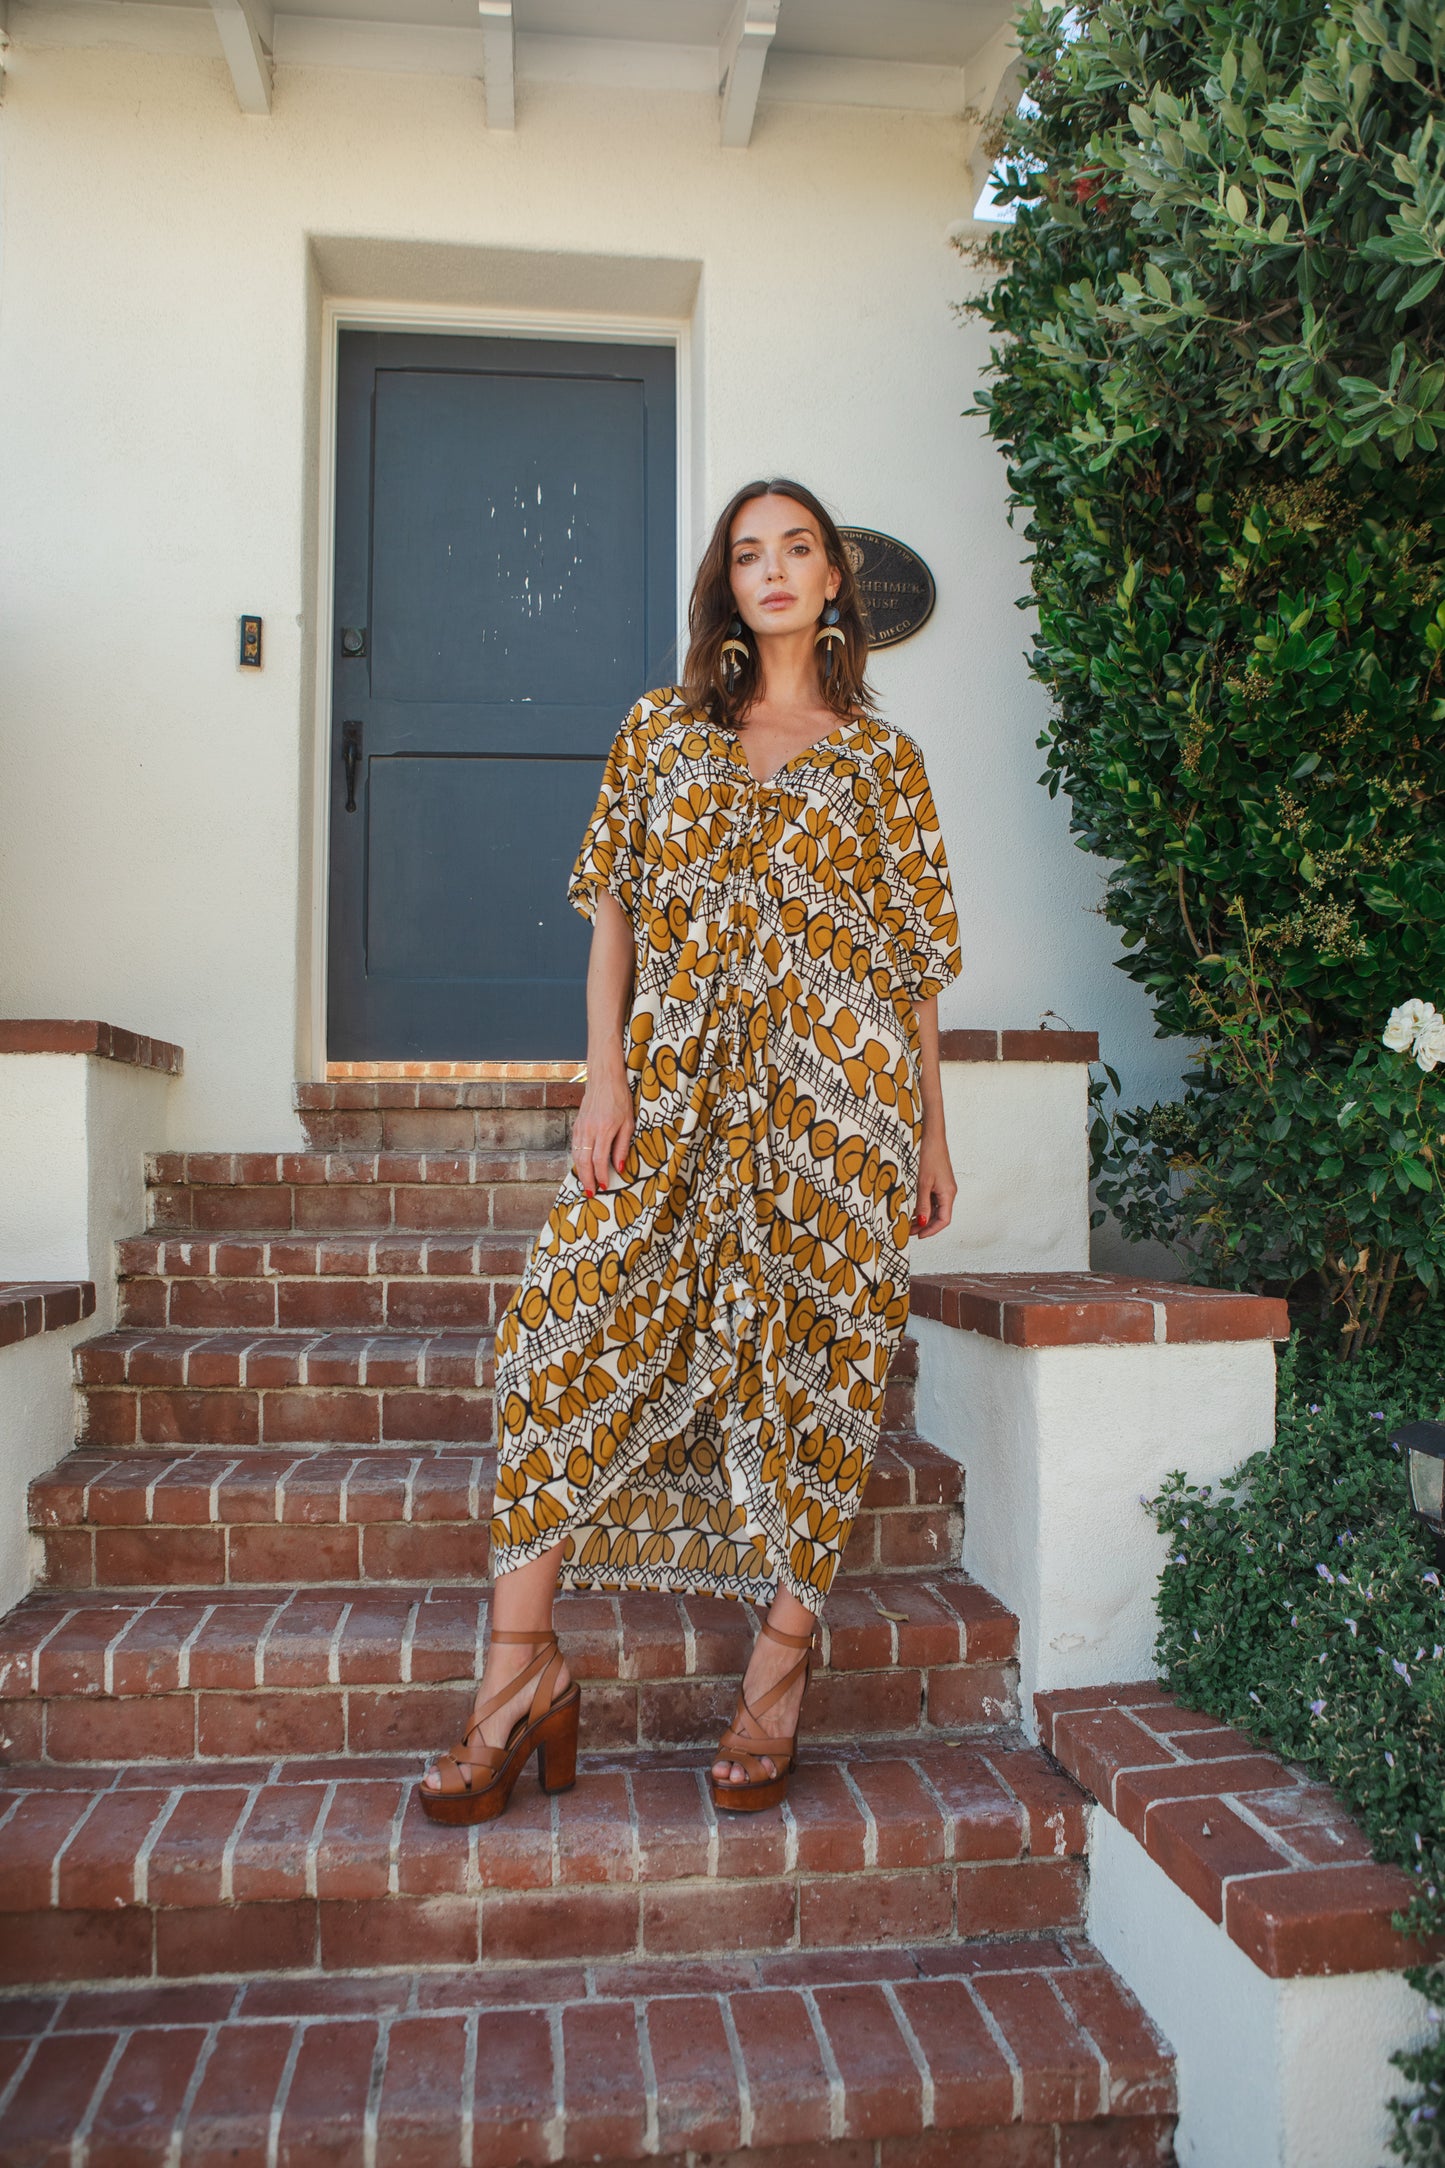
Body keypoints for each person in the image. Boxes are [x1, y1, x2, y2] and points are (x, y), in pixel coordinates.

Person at [421, 477, 961, 1824]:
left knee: (815, 1370)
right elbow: (613, 917)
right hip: (670, 1100)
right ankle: (519, 1671)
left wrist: (930, 1133)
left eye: (797, 550)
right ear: (724, 583)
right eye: (747, 554)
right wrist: (603, 1080)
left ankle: (776, 1670)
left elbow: (911, 972)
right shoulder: (658, 732)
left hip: (835, 1118)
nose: (773, 571)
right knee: (556, 1337)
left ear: (833, 579)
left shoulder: (883, 763)